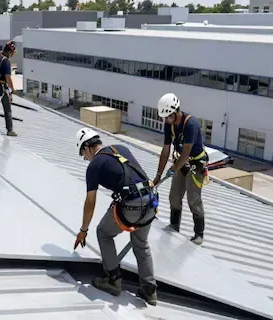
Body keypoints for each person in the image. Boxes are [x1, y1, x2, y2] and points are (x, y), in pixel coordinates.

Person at [73, 127, 158, 306]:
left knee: (103, 232)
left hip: (132, 205)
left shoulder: (94, 165)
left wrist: (83, 230)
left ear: (87, 148)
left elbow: (90, 201)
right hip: (150, 202)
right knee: (141, 244)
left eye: (83, 154)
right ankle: (149, 290)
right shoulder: (121, 148)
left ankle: (113, 280)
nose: (84, 158)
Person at [153, 93, 209, 245]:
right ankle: (174, 225)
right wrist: (158, 175)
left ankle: (199, 234)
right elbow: (165, 150)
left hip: (195, 164)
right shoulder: (168, 124)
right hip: (180, 162)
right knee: (174, 196)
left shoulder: (191, 124)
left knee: (193, 199)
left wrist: (173, 169)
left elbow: (186, 153)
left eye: (168, 117)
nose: (165, 120)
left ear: (176, 111)